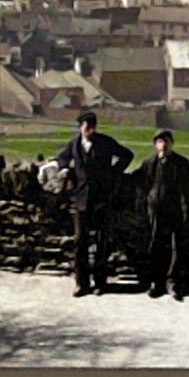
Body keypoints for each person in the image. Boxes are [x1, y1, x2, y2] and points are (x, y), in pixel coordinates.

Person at [55, 110, 134, 297]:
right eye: (86, 127)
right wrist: (65, 169)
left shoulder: (105, 142)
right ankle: (81, 283)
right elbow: (62, 158)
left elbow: (127, 155)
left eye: (92, 127)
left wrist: (113, 173)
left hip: (102, 199)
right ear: (80, 127)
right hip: (82, 199)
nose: (90, 130)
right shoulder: (74, 144)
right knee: (80, 241)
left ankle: (100, 282)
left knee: (101, 241)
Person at [135, 130, 189, 301]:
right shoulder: (149, 163)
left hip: (175, 209)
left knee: (176, 246)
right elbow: (143, 184)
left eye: (167, 141)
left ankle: (173, 282)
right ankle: (157, 283)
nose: (164, 145)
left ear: (172, 144)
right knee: (156, 245)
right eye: (160, 141)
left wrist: (185, 210)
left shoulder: (181, 163)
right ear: (156, 145)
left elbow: (187, 188)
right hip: (155, 210)